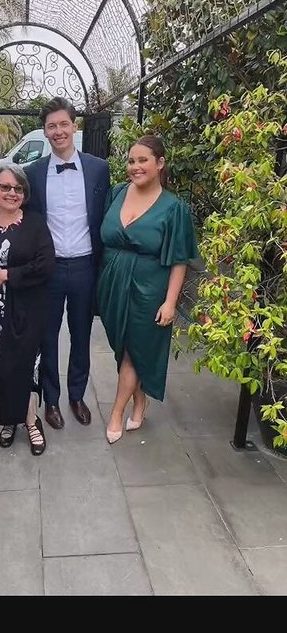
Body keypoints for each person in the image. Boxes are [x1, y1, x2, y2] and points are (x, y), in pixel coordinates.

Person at [97, 135, 198, 444]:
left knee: (133, 350)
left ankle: (116, 413)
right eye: (131, 161)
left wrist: (170, 302)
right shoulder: (116, 193)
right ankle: (140, 400)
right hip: (113, 285)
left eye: (143, 160)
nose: (136, 166)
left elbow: (179, 259)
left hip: (149, 288)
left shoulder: (173, 208)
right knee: (124, 347)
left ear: (160, 163)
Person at [26, 97, 110, 430]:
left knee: (81, 334)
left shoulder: (98, 169)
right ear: (45, 131)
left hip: (85, 266)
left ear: (74, 126)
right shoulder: (33, 173)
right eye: (52, 126)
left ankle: (77, 395)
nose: (58, 131)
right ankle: (51, 400)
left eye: (64, 124)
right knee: (47, 336)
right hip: (48, 268)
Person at [0, 163, 55, 455]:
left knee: (27, 365)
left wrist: (7, 274)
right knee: (0, 365)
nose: (12, 193)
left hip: (26, 307)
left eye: (18, 188)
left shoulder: (34, 223)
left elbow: (46, 265)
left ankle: (31, 421)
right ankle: (9, 419)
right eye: (5, 187)